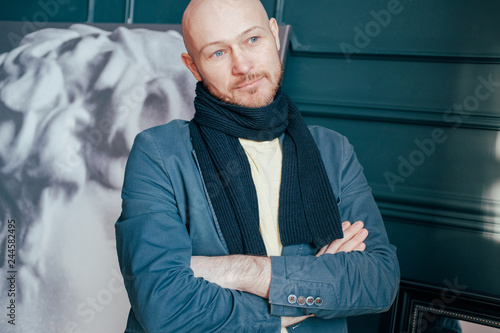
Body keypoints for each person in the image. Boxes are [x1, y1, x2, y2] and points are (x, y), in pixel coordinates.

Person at [115, 0, 400, 332]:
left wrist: (238, 271)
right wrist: (304, 291)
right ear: (194, 67)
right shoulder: (158, 153)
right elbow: (162, 305)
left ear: (274, 35)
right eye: (218, 53)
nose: (243, 65)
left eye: (252, 40)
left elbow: (378, 281)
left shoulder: (333, 150)